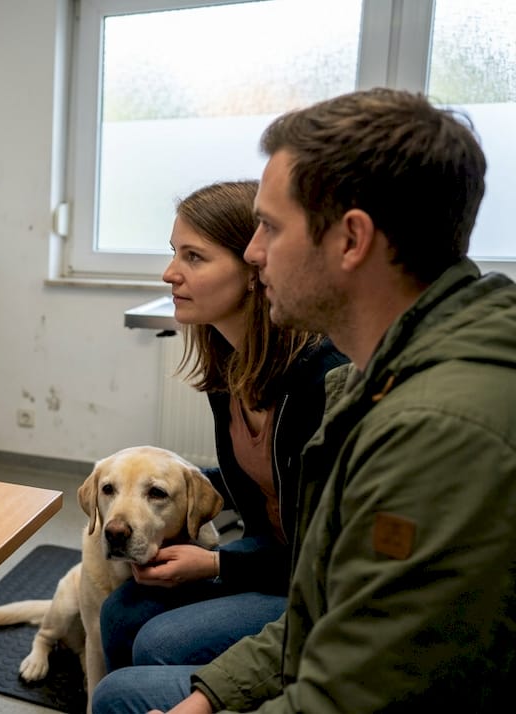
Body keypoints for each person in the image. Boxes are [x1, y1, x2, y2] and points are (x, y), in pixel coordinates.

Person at [93, 87, 516, 713]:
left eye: (269, 227)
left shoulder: (434, 428)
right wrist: (211, 695)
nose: (257, 253)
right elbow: (329, 606)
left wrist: (217, 578)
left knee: (125, 687)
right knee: (128, 627)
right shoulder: (384, 375)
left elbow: (362, 681)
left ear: (351, 240)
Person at [97, 181, 347, 674]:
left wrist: (218, 565)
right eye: (174, 253)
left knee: (159, 643)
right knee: (120, 615)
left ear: (255, 267)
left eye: (194, 257)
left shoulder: (322, 380)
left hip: (316, 581)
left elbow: (333, 554)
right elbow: (255, 482)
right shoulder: (227, 371)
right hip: (271, 551)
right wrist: (154, 488)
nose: (170, 274)